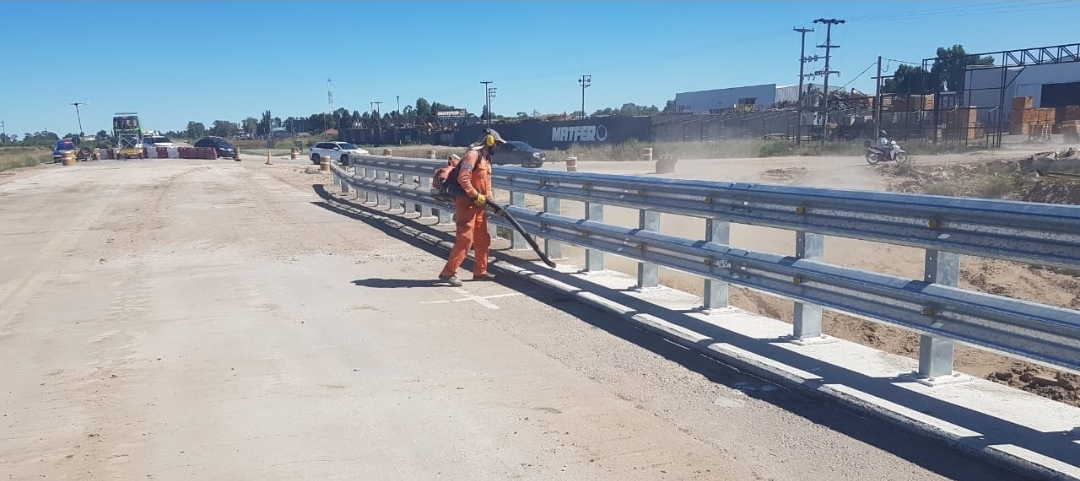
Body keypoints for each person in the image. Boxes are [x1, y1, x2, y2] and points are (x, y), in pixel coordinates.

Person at [438, 128, 506, 287]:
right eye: (497, 143)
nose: (498, 146)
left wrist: (492, 204)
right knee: (466, 239)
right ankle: (448, 272)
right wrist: (475, 195)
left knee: (483, 239)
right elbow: (463, 178)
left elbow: (487, 185)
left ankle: (480, 272)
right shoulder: (473, 155)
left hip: (480, 204)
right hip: (467, 204)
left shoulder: (486, 160)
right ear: (489, 141)